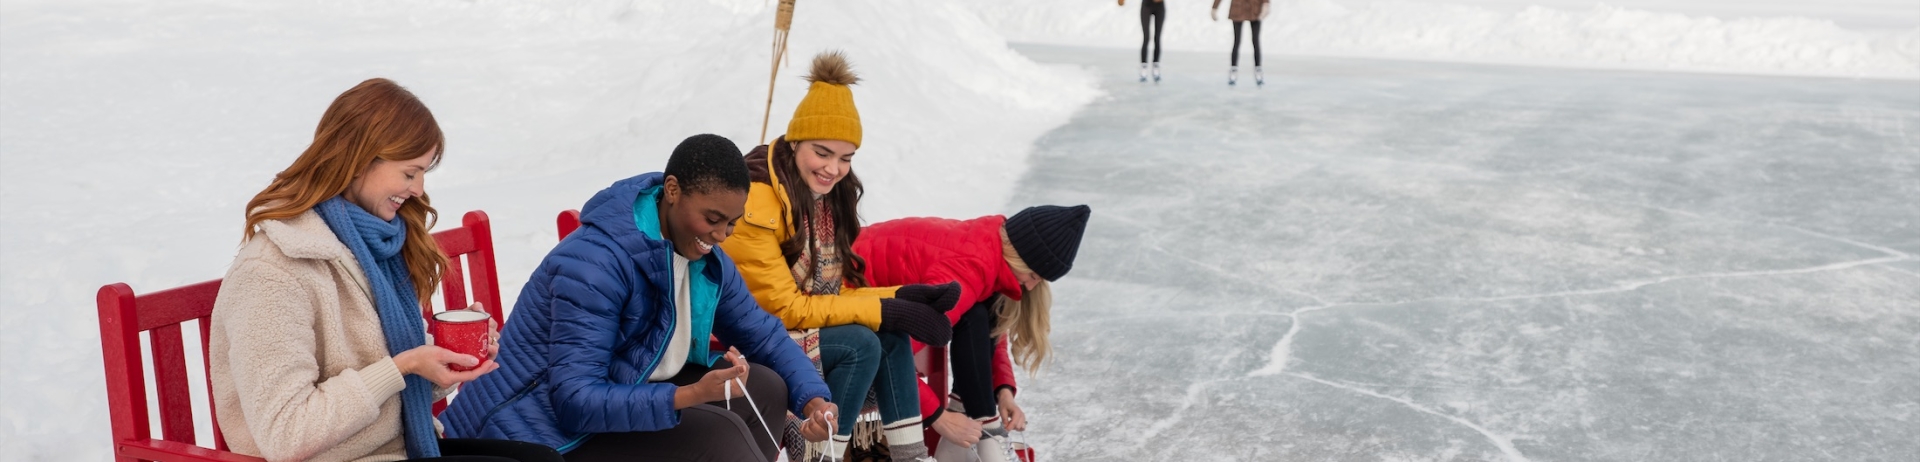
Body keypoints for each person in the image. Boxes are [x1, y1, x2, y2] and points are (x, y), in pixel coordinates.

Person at [209, 78, 561, 462]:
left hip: (395, 447)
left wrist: (443, 360)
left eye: (424, 173)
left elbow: (397, 391)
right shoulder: (272, 270)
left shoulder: (370, 248)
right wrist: (404, 364)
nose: (418, 189)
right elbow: (286, 433)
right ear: (359, 161)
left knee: (541, 458)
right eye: (410, 173)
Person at [439, 134, 837, 461]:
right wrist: (690, 396)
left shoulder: (702, 255)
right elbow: (575, 401)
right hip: (533, 429)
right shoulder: (596, 263)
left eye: (731, 224)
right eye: (712, 219)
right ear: (673, 191)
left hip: (620, 388)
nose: (720, 236)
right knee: (722, 438)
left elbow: (762, 334)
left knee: (764, 388)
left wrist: (814, 400)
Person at [719, 51, 961, 462]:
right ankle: (822, 457)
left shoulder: (817, 197)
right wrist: (884, 309)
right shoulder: (758, 201)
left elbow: (829, 294)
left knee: (888, 337)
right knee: (861, 344)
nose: (834, 168)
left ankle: (911, 456)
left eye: (846, 158)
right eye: (823, 152)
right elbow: (783, 307)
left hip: (791, 325)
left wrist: (900, 297)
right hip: (748, 335)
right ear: (796, 141)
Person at [853, 205, 1092, 462]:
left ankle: (976, 436)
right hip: (838, 288)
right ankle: (986, 435)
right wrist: (939, 417)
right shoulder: (967, 271)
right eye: (1032, 275)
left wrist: (1002, 390)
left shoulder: (988, 245)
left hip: (869, 293)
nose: (1031, 286)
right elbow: (891, 356)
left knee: (979, 312)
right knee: (973, 313)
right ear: (1017, 255)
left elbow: (990, 330)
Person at [1213, 0, 1271, 85]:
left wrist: (1266, 4)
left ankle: (1258, 69)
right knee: (1237, 41)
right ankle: (1233, 69)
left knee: (1255, 41)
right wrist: (1214, 7)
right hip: (1238, 8)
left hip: (1255, 9)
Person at [1122, 0, 1167, 82]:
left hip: (1159, 6)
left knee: (1157, 38)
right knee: (1146, 37)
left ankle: (1156, 65)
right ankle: (1144, 67)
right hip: (1147, 5)